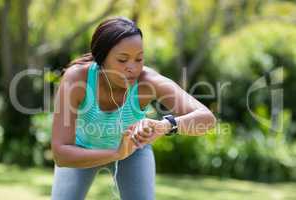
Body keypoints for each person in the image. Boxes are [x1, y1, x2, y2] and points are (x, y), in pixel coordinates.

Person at [51, 16, 216, 200]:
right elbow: (60, 153)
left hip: (133, 152)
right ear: (101, 59)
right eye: (122, 60)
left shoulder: (148, 81)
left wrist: (165, 125)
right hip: (82, 149)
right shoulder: (77, 79)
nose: (132, 68)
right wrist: (115, 153)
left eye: (139, 59)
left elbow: (207, 119)